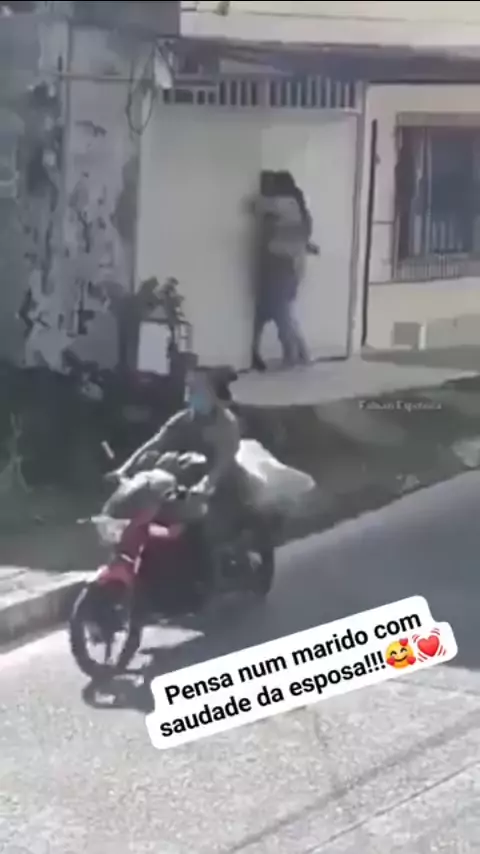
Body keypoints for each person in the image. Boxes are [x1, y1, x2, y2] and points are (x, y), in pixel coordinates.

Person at [109, 368, 245, 602]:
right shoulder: (184, 419)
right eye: (191, 390)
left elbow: (223, 461)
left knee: (201, 527)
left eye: (199, 389)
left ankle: (208, 582)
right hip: (189, 483)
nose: (194, 395)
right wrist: (124, 470)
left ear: (212, 393)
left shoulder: (225, 423)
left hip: (223, 486)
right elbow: (154, 443)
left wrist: (207, 484)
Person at [251, 170, 313, 371]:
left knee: (281, 313)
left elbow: (255, 205)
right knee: (283, 313)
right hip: (290, 265)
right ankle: (301, 354)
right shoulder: (299, 207)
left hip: (281, 265)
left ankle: (294, 354)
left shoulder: (286, 203)